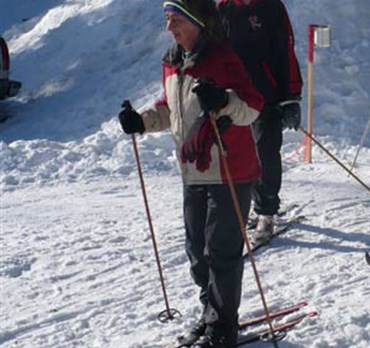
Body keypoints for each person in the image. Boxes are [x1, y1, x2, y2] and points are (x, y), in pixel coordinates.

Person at [118, 1, 263, 347]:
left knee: (221, 252)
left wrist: (224, 100)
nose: (170, 28)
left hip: (231, 170)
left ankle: (222, 327)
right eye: (167, 21)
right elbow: (173, 109)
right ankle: (210, 313)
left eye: (176, 20)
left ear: (197, 21)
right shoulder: (173, 62)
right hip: (194, 172)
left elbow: (252, 107)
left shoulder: (223, 59)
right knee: (197, 253)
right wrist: (142, 121)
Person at [217, 0, 303, 244]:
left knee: (265, 152)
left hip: (268, 97)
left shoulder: (271, 6)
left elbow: (286, 49)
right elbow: (214, 52)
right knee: (239, 154)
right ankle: (247, 207)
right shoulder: (223, 8)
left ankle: (266, 212)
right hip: (234, 97)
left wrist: (292, 96)